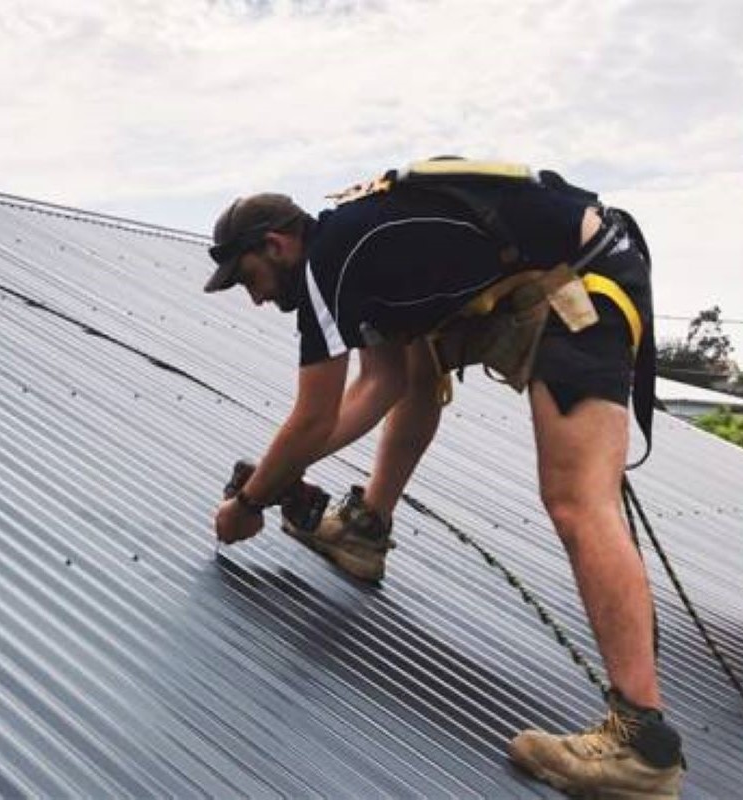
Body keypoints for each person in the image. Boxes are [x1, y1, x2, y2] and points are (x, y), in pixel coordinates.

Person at [204, 159, 684, 799]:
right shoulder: (362, 259)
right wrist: (279, 477)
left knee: (577, 502)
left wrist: (252, 501)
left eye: (249, 278)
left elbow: (314, 414)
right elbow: (387, 385)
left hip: (586, 281)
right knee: (416, 361)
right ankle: (365, 531)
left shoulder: (327, 262)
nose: (256, 295)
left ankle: (640, 747)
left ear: (277, 244)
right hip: (554, 269)